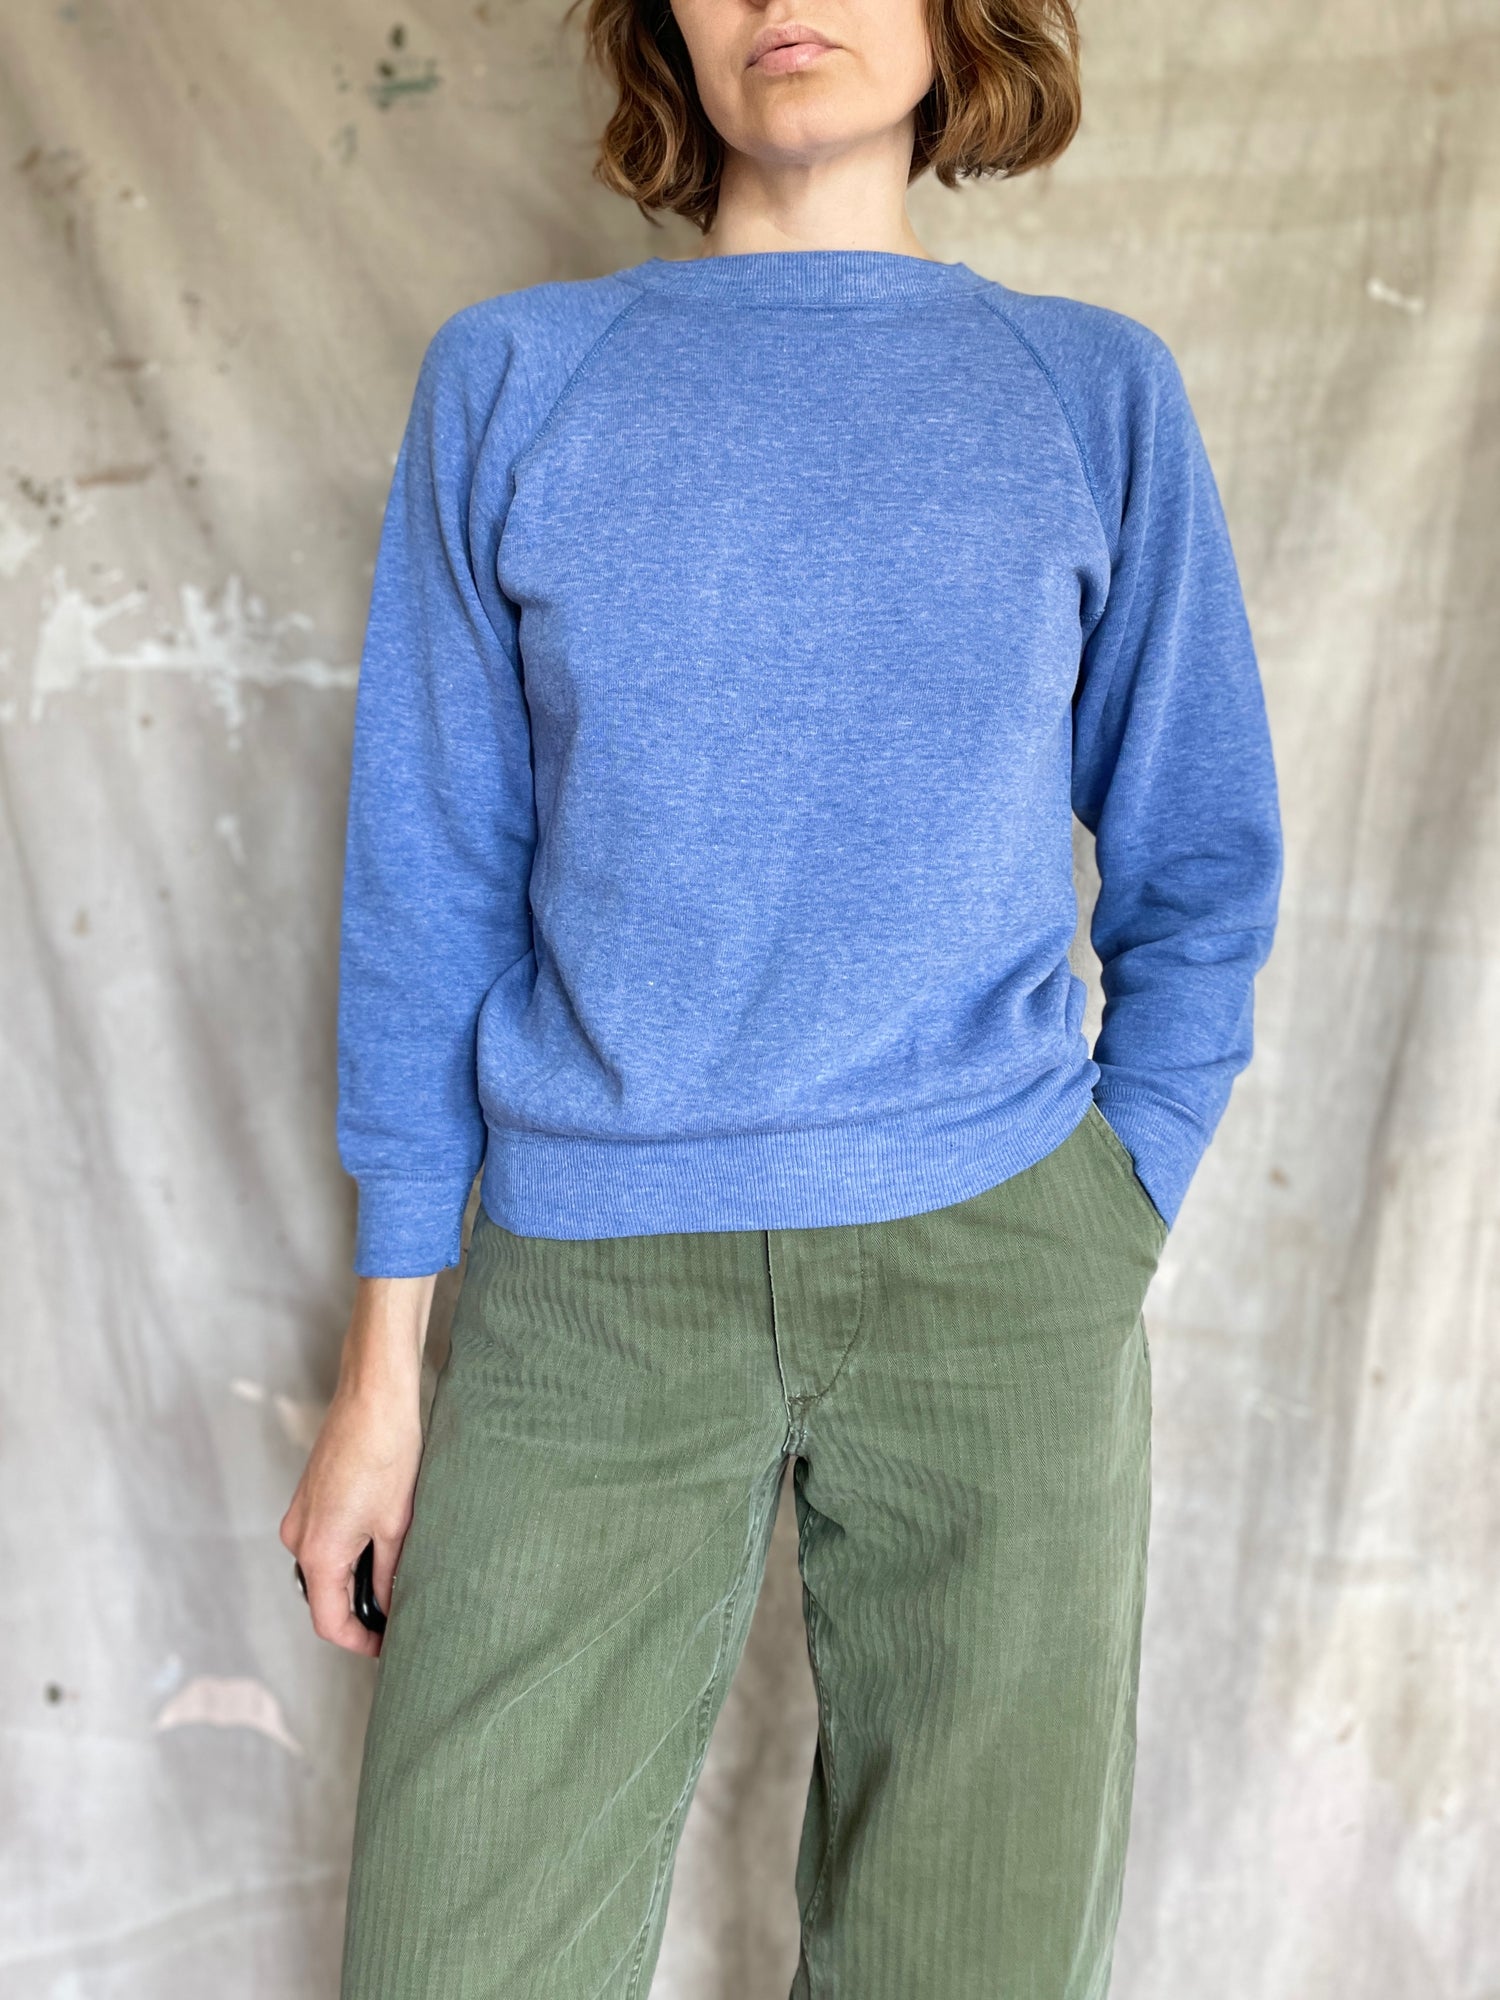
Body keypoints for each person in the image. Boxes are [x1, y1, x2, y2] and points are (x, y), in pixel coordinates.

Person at [281, 0, 1283, 1989]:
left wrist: (1115, 1199)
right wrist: (384, 1374)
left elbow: (1202, 853)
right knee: (456, 1952)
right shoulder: (515, 379)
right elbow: (428, 886)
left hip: (995, 1265)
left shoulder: (1088, 392)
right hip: (588, 1283)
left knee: (971, 1960)